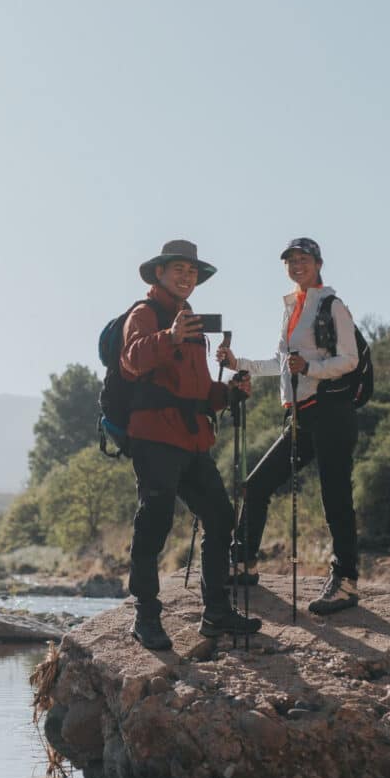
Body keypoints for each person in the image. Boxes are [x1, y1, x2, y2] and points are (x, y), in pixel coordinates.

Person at [122, 239, 261, 650]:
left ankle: (216, 611)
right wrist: (169, 336)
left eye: (192, 271)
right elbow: (132, 359)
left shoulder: (191, 323)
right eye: (179, 269)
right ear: (160, 273)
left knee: (220, 518)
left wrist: (229, 394)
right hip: (153, 437)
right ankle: (145, 617)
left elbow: (196, 391)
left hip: (191, 438)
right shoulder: (144, 314)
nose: (187, 277)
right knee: (155, 520)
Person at [216, 236, 360, 615]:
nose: (297, 265)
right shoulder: (292, 307)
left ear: (318, 264)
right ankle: (244, 563)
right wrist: (239, 364)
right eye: (291, 260)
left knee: (335, 497)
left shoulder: (333, 306)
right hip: (302, 415)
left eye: (303, 259)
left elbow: (351, 360)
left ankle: (345, 581)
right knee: (257, 484)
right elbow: (281, 363)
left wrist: (310, 368)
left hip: (332, 412)